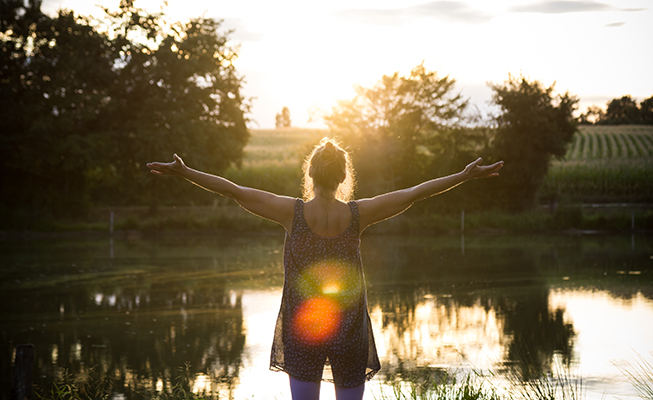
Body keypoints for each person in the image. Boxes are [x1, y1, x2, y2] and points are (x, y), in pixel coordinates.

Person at [146, 138, 503, 400]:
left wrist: (185, 172)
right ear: (344, 176)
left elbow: (234, 191)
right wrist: (464, 175)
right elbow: (414, 193)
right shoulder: (358, 214)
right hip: (349, 329)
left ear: (311, 174)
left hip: (304, 329)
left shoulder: (292, 213)